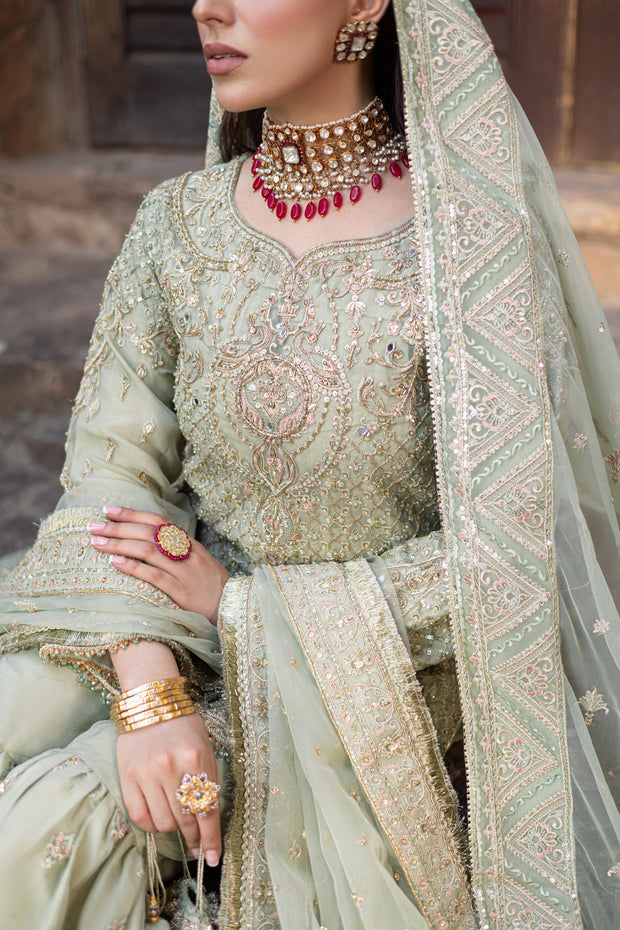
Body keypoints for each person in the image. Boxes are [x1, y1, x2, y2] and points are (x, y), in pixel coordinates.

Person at [0, 0, 618, 927]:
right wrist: (148, 687)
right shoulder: (177, 225)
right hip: (168, 636)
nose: (209, 6)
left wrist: (247, 610)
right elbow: (110, 482)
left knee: (60, 822)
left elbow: (512, 555)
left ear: (367, 4)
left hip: (372, 690)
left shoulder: (470, 255)